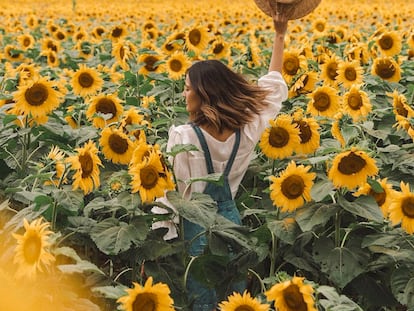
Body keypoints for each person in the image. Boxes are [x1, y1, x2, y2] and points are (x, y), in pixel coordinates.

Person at [164, 10, 289, 311]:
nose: (184, 94)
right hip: (232, 228)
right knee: (234, 301)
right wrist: (280, 34)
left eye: (188, 88)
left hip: (197, 231)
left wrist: (164, 236)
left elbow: (174, 194)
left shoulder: (184, 137)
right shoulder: (246, 131)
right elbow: (272, 89)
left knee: (200, 300)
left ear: (204, 94)